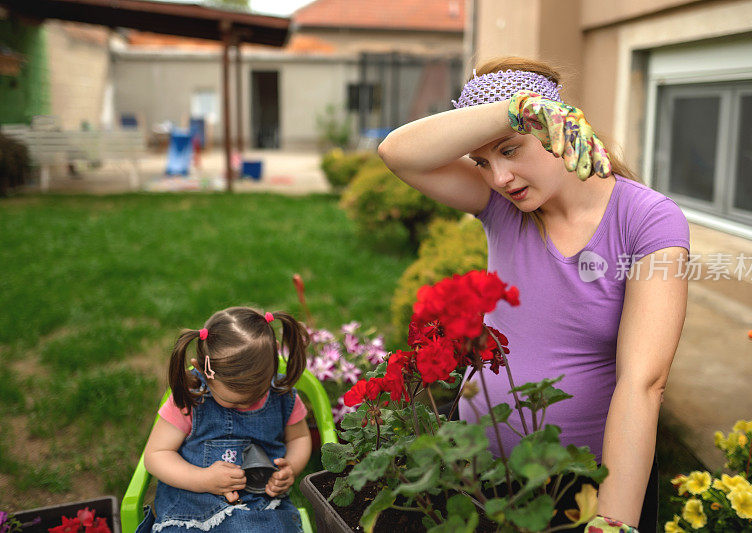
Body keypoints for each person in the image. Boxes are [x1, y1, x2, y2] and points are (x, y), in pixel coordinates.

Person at [377, 57, 690, 533]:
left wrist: (613, 520)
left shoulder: (648, 221)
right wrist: (515, 111)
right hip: (477, 473)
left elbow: (644, 383)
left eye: (511, 150)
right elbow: (398, 152)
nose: (500, 177)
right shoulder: (503, 206)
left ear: (559, 130)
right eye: (483, 162)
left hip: (579, 491)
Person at [136, 306, 311, 533]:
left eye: (257, 396)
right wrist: (202, 479)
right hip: (194, 503)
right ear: (201, 368)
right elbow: (156, 455)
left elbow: (300, 437)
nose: (247, 406)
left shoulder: (282, 395)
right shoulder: (192, 398)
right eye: (233, 402)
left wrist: (291, 468)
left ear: (275, 354)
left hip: (261, 504)